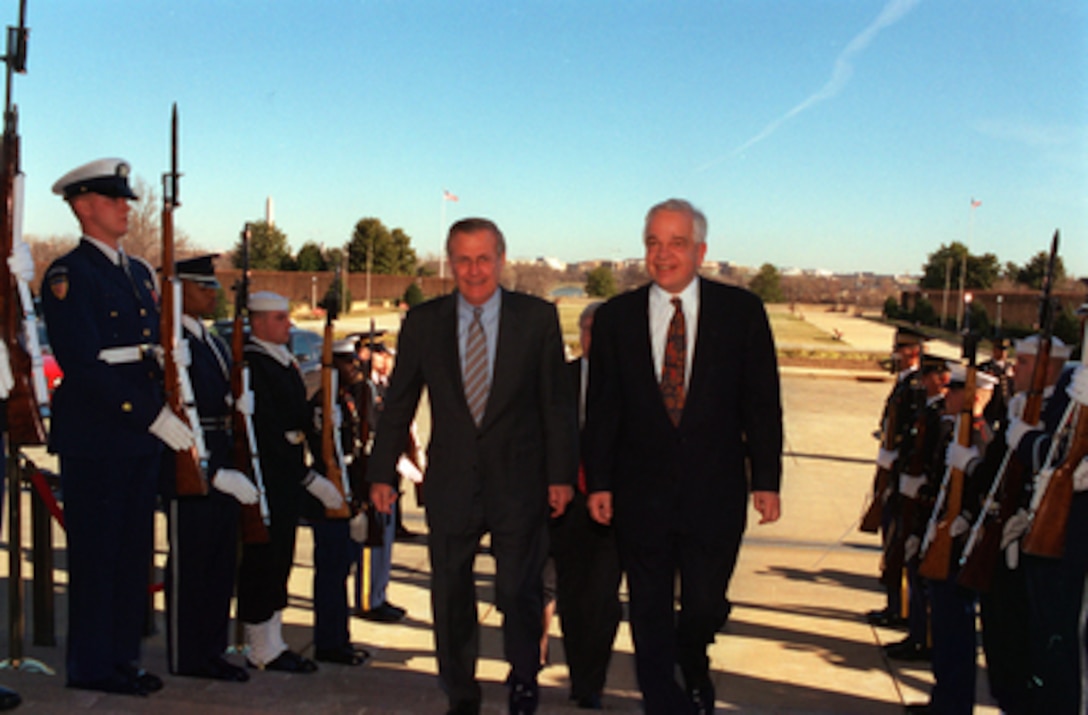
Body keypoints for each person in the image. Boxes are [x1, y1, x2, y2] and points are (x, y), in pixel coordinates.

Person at [369, 218, 578, 715]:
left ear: (502, 260)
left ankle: (524, 678)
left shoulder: (536, 319)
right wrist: (380, 473)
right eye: (463, 259)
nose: (474, 270)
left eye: (484, 258)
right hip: (452, 483)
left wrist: (561, 475)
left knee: (518, 590)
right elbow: (398, 404)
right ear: (450, 261)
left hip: (520, 484)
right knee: (451, 594)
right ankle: (460, 691)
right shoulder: (424, 323)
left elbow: (557, 405)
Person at [583, 198, 783, 714]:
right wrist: (599, 482)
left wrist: (767, 478)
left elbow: (762, 402)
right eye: (653, 242)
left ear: (701, 251)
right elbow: (602, 409)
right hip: (638, 495)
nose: (663, 254)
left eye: (676, 243)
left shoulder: (741, 313)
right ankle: (664, 700)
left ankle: (693, 658)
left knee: (704, 605)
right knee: (647, 610)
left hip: (714, 493)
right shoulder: (615, 318)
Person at [42, 158, 194, 696]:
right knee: (98, 553)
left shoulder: (136, 272)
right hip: (99, 434)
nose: (127, 207)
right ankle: (90, 665)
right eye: (114, 199)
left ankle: (122, 656)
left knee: (132, 552)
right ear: (85, 207)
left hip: (138, 435)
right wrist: (150, 415)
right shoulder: (68, 274)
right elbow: (82, 363)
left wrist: (165, 410)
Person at [235, 290, 345, 672]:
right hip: (269, 473)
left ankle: (274, 641)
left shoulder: (280, 362)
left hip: (284, 475)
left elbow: (294, 416)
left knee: (280, 557)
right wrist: (306, 477)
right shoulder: (253, 363)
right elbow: (265, 431)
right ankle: (260, 647)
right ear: (259, 322)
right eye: (279, 318)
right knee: (263, 560)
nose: (287, 325)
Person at [163, 254, 256, 682]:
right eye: (206, 286)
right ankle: (188, 655)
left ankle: (212, 649)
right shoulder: (170, 342)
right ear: (182, 290)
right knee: (191, 566)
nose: (214, 293)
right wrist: (212, 469)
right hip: (191, 464)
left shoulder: (214, 341)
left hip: (223, 456)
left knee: (219, 566)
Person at [551, 301, 622, 710]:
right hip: (569, 505)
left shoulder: (631, 383)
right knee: (574, 597)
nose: (595, 337)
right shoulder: (561, 379)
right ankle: (580, 675)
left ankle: (594, 678)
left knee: (604, 598)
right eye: (589, 329)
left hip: (614, 506)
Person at [305, 338, 371, 665]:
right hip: (328, 497)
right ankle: (328, 642)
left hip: (348, 494)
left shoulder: (347, 400)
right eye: (347, 362)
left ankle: (340, 638)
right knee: (330, 572)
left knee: (342, 568)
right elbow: (322, 451)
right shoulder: (322, 402)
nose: (355, 367)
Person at [355, 342, 408, 623]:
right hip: (369, 471)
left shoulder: (383, 387)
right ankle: (368, 598)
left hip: (388, 470)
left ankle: (379, 593)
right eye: (380, 354)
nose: (385, 360)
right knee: (372, 537)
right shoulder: (363, 389)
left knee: (385, 536)